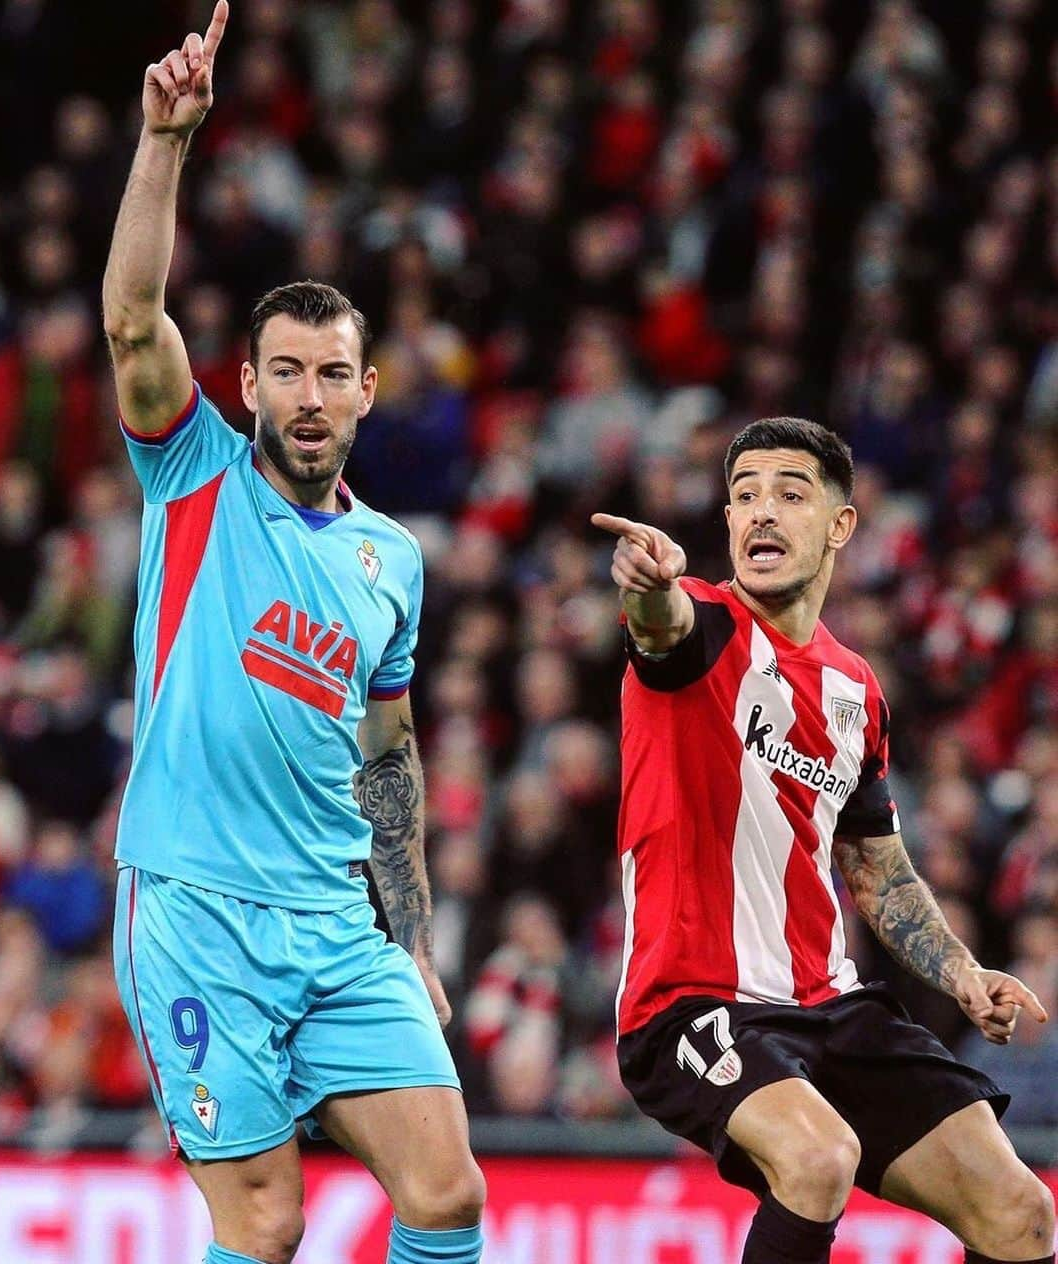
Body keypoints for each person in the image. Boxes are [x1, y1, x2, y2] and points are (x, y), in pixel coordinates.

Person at [101, 6, 485, 1263]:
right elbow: (129, 320)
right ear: (248, 382)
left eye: (333, 374)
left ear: (367, 389)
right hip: (197, 910)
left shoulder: (394, 561)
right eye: (286, 371)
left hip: (338, 926)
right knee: (265, 1224)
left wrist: (413, 936)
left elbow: (389, 750)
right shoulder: (196, 478)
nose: (309, 397)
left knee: (446, 1193)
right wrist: (166, 140)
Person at [592, 416, 1054, 1264]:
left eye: (789, 494)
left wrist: (962, 975)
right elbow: (658, 626)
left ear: (841, 524)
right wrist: (647, 586)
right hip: (693, 1002)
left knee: (1020, 1210)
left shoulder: (856, 690)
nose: (761, 512)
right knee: (818, 1157)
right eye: (744, 496)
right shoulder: (703, 624)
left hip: (828, 1006)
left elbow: (875, 867)